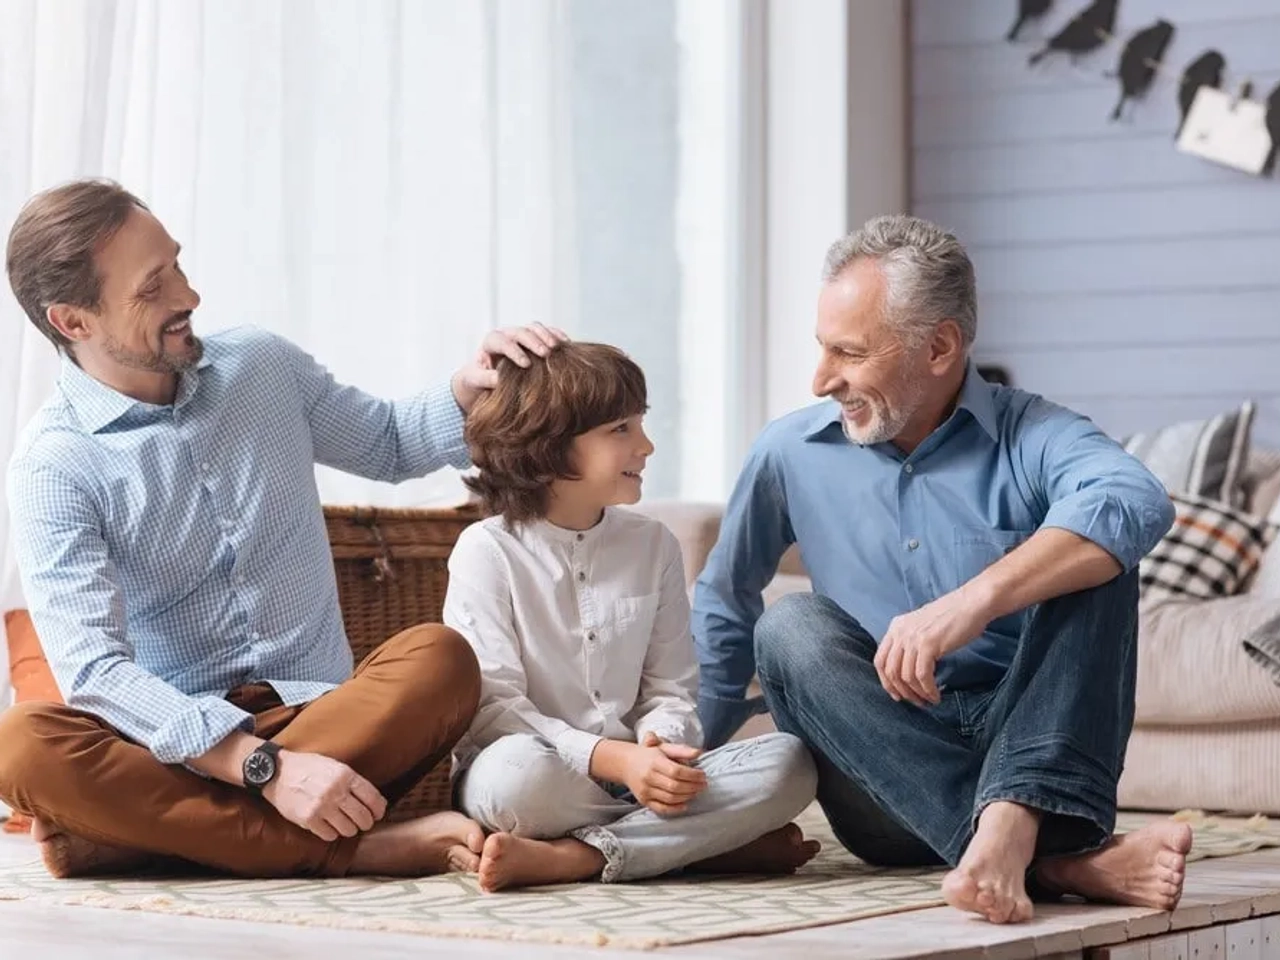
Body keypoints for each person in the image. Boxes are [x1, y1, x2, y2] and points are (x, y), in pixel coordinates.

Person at [0, 178, 566, 880]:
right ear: (73, 322)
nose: (188, 295)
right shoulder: (53, 466)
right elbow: (95, 672)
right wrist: (263, 768)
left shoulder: (260, 366)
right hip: (180, 747)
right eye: (153, 287)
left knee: (441, 658)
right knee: (19, 744)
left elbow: (388, 441)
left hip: (327, 719)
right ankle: (357, 849)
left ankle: (159, 838)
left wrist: (469, 388)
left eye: (176, 264)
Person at [691, 214, 1192, 924]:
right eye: (822, 347)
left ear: (939, 347)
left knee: (1098, 550)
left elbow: (1137, 498)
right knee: (788, 624)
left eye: (849, 352)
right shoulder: (787, 453)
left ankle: (1013, 830)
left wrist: (974, 601)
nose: (821, 378)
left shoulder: (1031, 434)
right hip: (884, 784)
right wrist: (685, 764)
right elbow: (726, 601)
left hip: (1036, 758)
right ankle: (1049, 861)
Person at [442, 341, 819, 892]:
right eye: (621, 429)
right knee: (517, 781)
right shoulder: (486, 550)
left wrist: (659, 744)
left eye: (640, 423)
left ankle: (577, 857)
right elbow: (493, 709)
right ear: (548, 444)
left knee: (791, 764)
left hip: (631, 780)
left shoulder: (653, 545)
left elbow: (670, 689)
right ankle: (699, 845)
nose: (646, 445)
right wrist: (612, 759)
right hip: (533, 773)